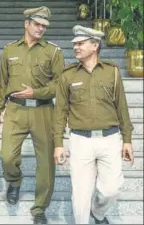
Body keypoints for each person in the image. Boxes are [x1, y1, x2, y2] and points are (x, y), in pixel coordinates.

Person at [53, 25, 134, 224]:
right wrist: (58, 143)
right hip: (81, 141)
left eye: (80, 43)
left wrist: (127, 140)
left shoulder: (112, 72)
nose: (76, 47)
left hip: (110, 139)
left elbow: (121, 107)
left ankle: (97, 213)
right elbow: (60, 112)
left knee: (112, 189)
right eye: (75, 44)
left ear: (95, 45)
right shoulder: (68, 75)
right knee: (80, 197)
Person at [0, 6, 65, 224]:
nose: (41, 28)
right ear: (26, 24)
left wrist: (35, 92)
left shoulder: (53, 52)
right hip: (15, 110)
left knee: (46, 163)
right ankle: (14, 180)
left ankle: (39, 209)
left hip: (43, 110)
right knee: (7, 156)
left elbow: (60, 86)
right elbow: (2, 83)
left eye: (44, 26)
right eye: (37, 24)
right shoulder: (9, 50)